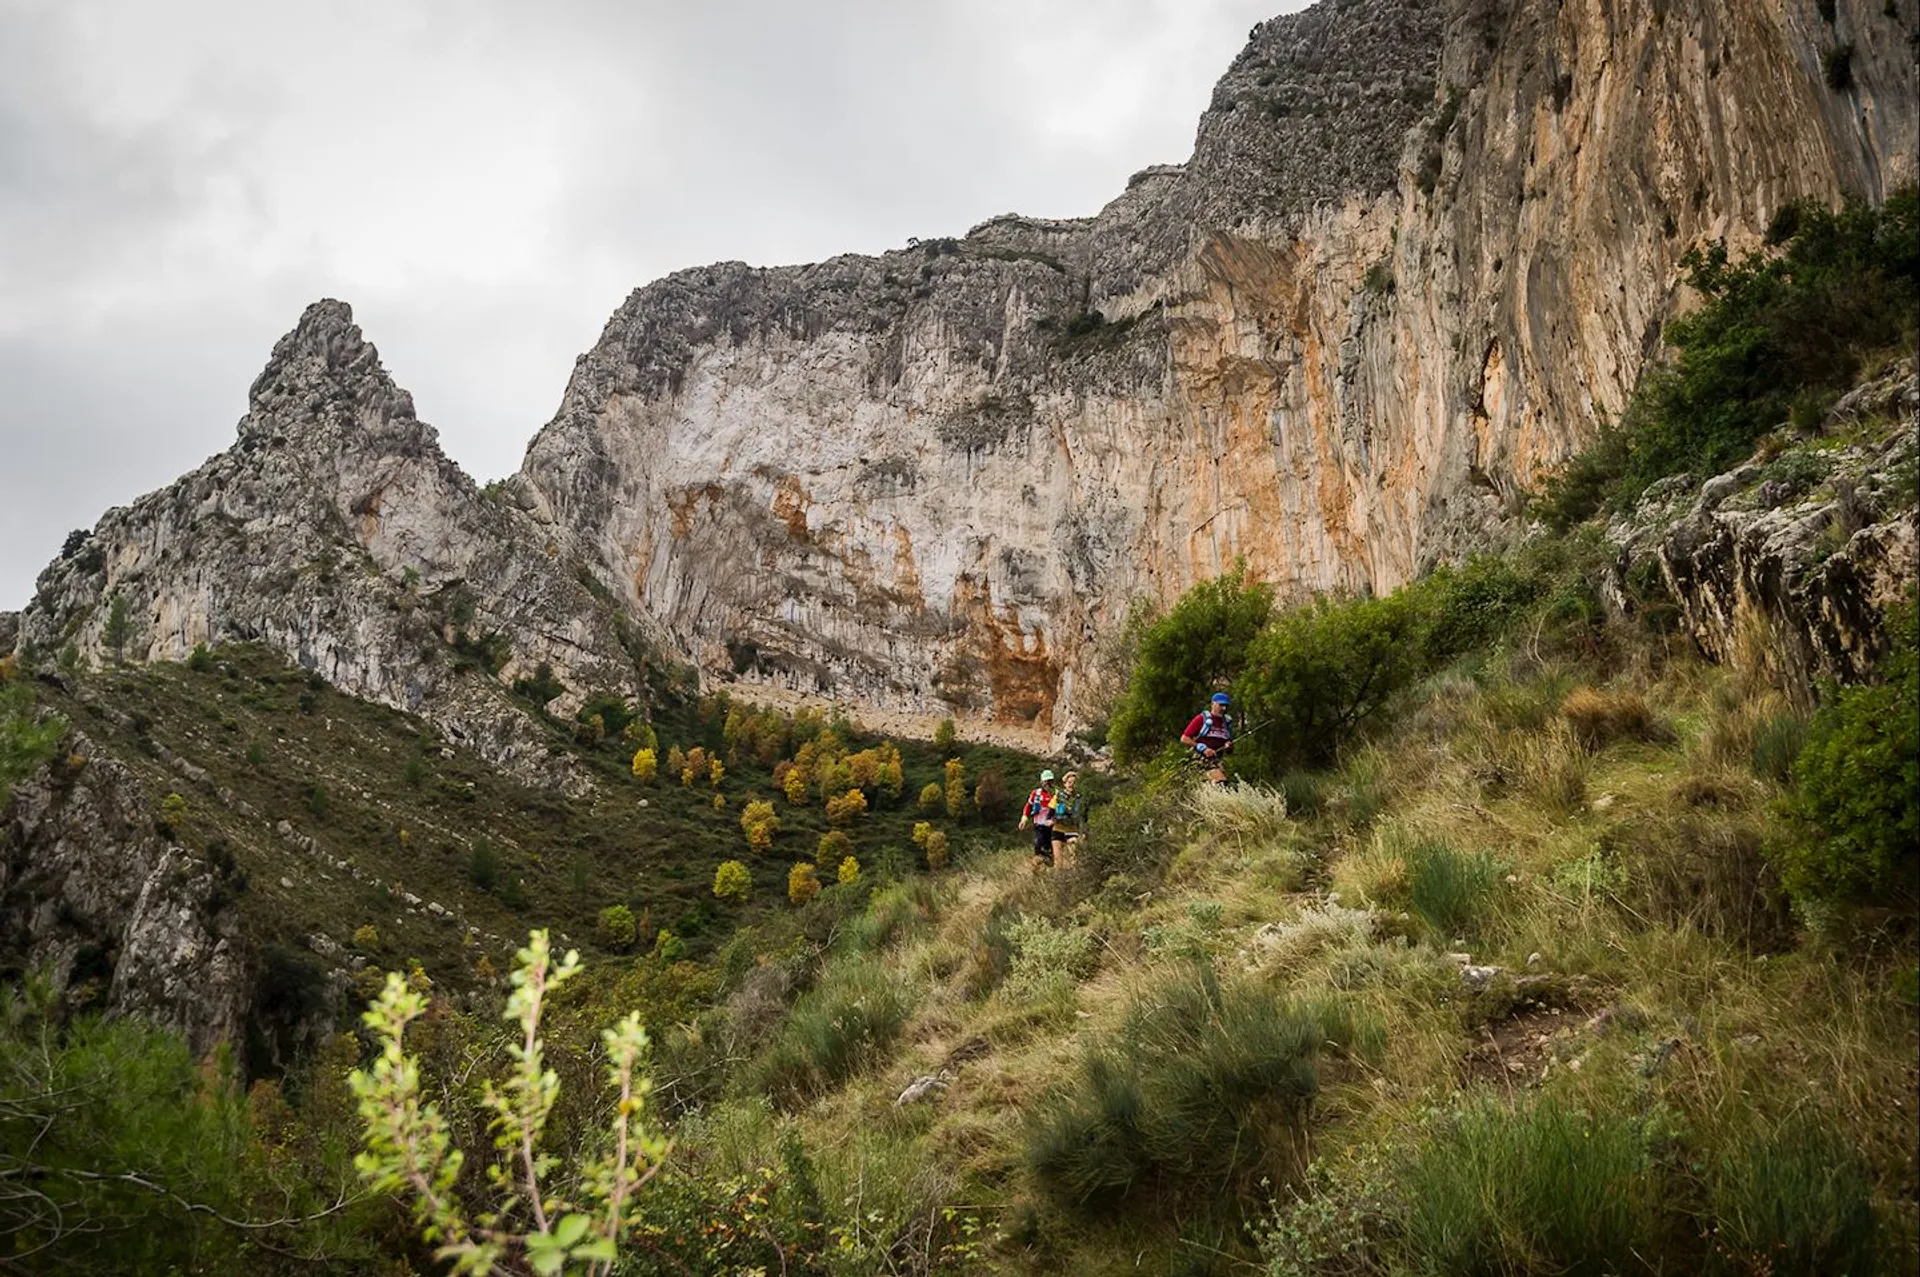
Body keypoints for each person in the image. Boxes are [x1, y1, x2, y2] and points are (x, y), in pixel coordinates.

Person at [1180, 692, 1235, 783]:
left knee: (1224, 784)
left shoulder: (1227, 723)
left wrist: (1229, 746)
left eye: (1226, 706)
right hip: (1199, 758)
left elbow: (1230, 750)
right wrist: (1202, 748)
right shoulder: (1201, 719)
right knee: (1220, 782)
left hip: (1217, 760)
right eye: (1221, 705)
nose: (1224, 708)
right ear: (1213, 704)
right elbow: (1184, 738)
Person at [1018, 769, 1060, 866]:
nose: (1048, 784)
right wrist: (1024, 819)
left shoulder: (1057, 793)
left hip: (1054, 827)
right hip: (1039, 826)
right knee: (1038, 846)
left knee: (1052, 850)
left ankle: (1053, 867)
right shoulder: (1036, 794)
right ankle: (1036, 869)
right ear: (1041, 782)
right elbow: (1028, 806)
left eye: (1050, 781)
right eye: (1046, 781)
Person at [1049, 771, 1085, 864]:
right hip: (1058, 827)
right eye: (1069, 783)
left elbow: (1083, 814)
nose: (1071, 785)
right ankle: (1059, 877)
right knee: (1058, 861)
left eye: (1074, 783)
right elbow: (1051, 810)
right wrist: (1049, 820)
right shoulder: (1058, 796)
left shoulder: (1079, 797)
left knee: (1074, 858)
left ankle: (1076, 875)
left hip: (1072, 828)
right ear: (1065, 784)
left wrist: (1083, 830)